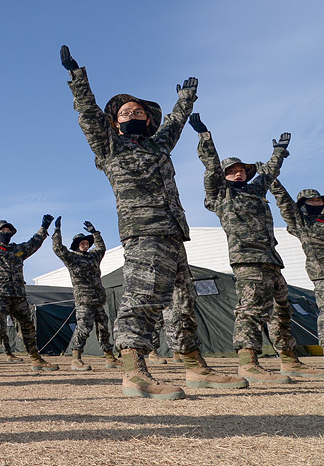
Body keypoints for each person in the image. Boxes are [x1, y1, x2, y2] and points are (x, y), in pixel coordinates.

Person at [60, 45, 247, 399]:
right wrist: (77, 78)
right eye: (125, 111)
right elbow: (87, 112)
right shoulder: (110, 147)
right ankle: (134, 371)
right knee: (142, 299)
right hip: (143, 232)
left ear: (148, 120)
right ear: (114, 122)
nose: (133, 113)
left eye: (139, 111)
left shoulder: (159, 146)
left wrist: (186, 100)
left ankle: (194, 367)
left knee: (182, 303)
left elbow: (175, 124)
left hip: (174, 233)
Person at [189, 114, 324, 381]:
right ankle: (248, 361)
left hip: (271, 259)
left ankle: (289, 360)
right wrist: (204, 136)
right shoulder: (219, 195)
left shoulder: (255, 192)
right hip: (247, 260)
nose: (237, 173)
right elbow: (211, 169)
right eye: (231, 171)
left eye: (240, 170)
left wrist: (278, 153)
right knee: (250, 311)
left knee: (282, 311)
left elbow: (269, 173)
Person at [270, 171, 324, 376]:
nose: (315, 203)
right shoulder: (300, 222)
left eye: (318, 200)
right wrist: (274, 182)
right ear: (302, 205)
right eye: (310, 201)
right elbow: (285, 203)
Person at [0, 204, 58, 373]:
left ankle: (36, 359)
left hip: (18, 295)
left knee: (28, 327)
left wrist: (44, 227)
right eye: (3, 230)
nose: (6, 233)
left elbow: (34, 243)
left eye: (9, 231)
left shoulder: (18, 250)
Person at [51, 217, 120, 371]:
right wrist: (57, 232)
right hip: (84, 300)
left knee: (104, 328)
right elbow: (58, 249)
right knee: (83, 328)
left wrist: (95, 233)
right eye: (82, 243)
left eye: (87, 242)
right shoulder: (72, 258)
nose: (86, 244)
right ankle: (76, 358)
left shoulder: (94, 257)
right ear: (76, 245)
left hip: (98, 300)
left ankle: (110, 357)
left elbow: (101, 247)